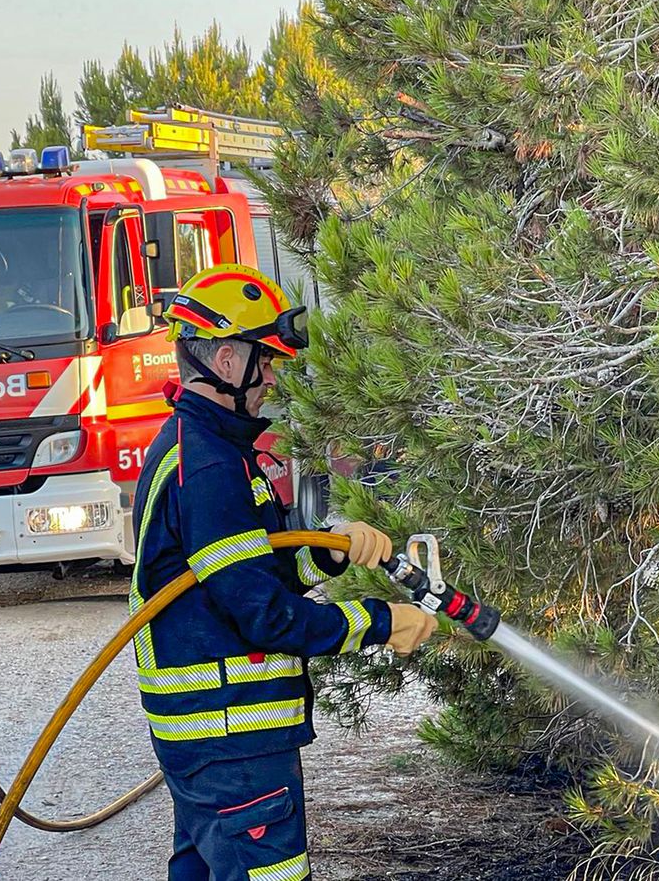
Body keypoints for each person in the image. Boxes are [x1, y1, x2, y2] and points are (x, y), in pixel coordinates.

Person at [130, 264, 438, 880]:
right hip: (232, 735)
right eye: (263, 361)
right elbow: (262, 614)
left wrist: (327, 550)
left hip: (215, 739)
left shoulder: (208, 449)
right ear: (223, 359)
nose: (271, 377)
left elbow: (250, 573)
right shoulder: (212, 466)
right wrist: (382, 622)